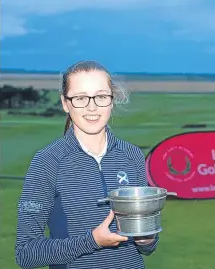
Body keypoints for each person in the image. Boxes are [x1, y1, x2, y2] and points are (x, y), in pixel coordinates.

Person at [15, 60, 159, 269]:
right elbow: (26, 254)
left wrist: (146, 239)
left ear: (112, 100)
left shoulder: (132, 155)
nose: (92, 107)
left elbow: (146, 246)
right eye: (81, 98)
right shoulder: (47, 161)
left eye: (100, 97)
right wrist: (92, 241)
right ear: (65, 103)